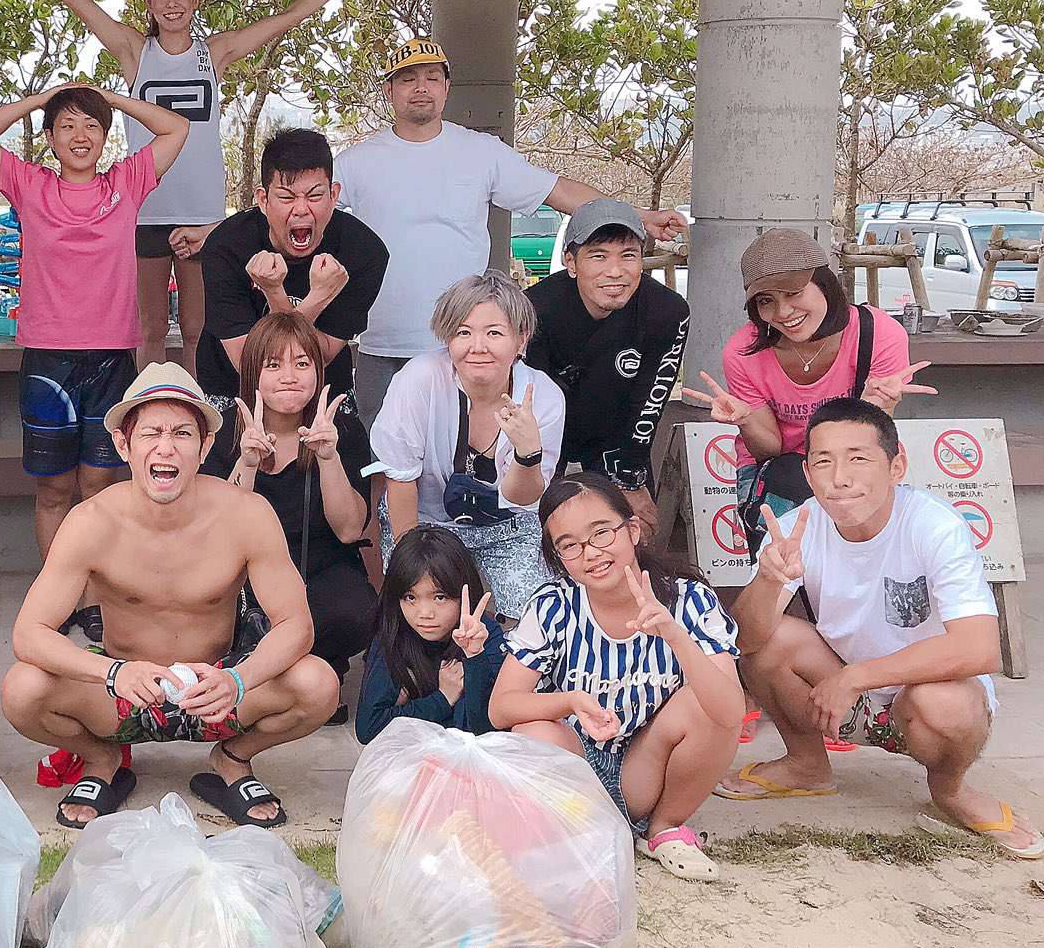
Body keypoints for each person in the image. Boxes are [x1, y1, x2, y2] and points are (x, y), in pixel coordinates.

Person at [0, 0, 389, 372]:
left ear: (195, 2)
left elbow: (288, 18)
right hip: (145, 210)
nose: (172, 4)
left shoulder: (214, 53)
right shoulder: (135, 51)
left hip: (202, 213)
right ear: (149, 5)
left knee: (200, 329)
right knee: (151, 327)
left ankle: (200, 424)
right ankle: (147, 420)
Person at [2, 363, 339, 830]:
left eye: (182, 433)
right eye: (151, 433)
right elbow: (29, 634)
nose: (166, 447)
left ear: (203, 448)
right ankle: (104, 760)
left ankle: (233, 759)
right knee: (22, 689)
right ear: (124, 444)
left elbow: (296, 626)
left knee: (317, 683)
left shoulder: (246, 514)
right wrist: (112, 671)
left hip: (216, 689)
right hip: (124, 690)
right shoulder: (91, 522)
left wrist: (238, 679)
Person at [715, 399, 1044, 858]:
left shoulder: (933, 525)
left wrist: (855, 677)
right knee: (775, 638)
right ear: (808, 475)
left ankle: (950, 793)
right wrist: (769, 580)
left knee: (946, 703)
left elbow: (981, 648)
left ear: (897, 466)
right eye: (823, 461)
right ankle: (807, 766)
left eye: (858, 458)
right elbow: (744, 642)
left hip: (910, 694)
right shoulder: (797, 527)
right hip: (841, 696)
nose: (840, 477)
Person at [335, 37, 686, 425]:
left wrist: (640, 216)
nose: (421, 88)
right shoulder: (355, 162)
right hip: (382, 344)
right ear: (389, 90)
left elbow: (559, 191)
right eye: (408, 79)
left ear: (446, 88)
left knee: (470, 462)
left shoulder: (481, 152)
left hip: (467, 345)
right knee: (382, 465)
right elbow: (305, 215)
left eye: (432, 78)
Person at [0, 82, 191, 554]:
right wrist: (44, 98)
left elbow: (176, 128)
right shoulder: (30, 185)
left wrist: (108, 99)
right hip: (48, 360)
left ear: (105, 136)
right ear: (50, 138)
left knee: (99, 486)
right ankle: (56, 596)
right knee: (54, 489)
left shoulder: (126, 183)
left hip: (110, 358)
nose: (80, 135)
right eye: (67, 126)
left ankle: (96, 597)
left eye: (92, 126)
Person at [489, 476, 744, 882]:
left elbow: (731, 710)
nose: (591, 553)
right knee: (535, 730)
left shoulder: (688, 599)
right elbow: (501, 706)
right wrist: (570, 700)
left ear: (633, 530)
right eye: (570, 545)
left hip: (644, 771)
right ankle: (581, 832)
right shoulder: (554, 606)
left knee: (707, 703)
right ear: (557, 558)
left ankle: (663, 829)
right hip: (574, 769)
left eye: (601, 532)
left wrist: (675, 635)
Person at [679, 228, 931, 545]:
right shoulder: (743, 352)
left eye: (794, 293)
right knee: (785, 498)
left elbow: (868, 444)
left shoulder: (877, 334)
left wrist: (879, 406)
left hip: (851, 457)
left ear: (824, 284)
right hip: (778, 469)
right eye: (766, 300)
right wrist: (746, 420)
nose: (784, 312)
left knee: (863, 520)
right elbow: (768, 451)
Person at [370, 272, 566, 618]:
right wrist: (414, 561)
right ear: (447, 338)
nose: (478, 347)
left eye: (494, 333)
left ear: (522, 341)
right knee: (423, 611)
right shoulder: (418, 380)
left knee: (539, 611)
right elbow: (400, 481)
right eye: (463, 332)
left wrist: (527, 454)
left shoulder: (543, 397)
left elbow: (525, 499)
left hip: (508, 526)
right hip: (423, 521)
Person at [203, 313, 375, 706]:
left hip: (321, 568)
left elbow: (350, 530)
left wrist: (328, 457)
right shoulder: (226, 429)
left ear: (318, 372)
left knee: (356, 611)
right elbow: (217, 534)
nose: (289, 376)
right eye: (274, 364)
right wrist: (246, 462)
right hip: (245, 576)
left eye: (302, 364)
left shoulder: (343, 430)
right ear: (253, 374)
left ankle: (314, 676)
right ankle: (283, 681)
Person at [525, 199, 689, 531]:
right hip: (544, 426)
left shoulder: (668, 312)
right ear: (571, 262)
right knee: (538, 530)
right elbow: (526, 400)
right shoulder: (534, 310)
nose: (614, 271)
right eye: (598, 255)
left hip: (616, 426)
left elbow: (649, 402)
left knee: (634, 531)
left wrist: (630, 479)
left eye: (628, 255)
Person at [195, 127, 389, 401]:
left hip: (322, 390)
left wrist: (286, 295)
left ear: (334, 195)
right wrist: (292, 294)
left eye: (314, 196)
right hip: (234, 388)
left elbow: (320, 356)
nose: (300, 209)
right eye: (286, 197)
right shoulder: (226, 246)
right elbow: (248, 364)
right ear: (263, 199)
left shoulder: (364, 251)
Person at [354, 526, 506, 744]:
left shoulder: (483, 634)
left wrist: (474, 658)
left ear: (464, 593)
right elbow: (369, 728)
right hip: (415, 762)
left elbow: (485, 730)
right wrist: (443, 699)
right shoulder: (395, 633)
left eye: (440, 597)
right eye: (410, 597)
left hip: (473, 765)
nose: (425, 614)